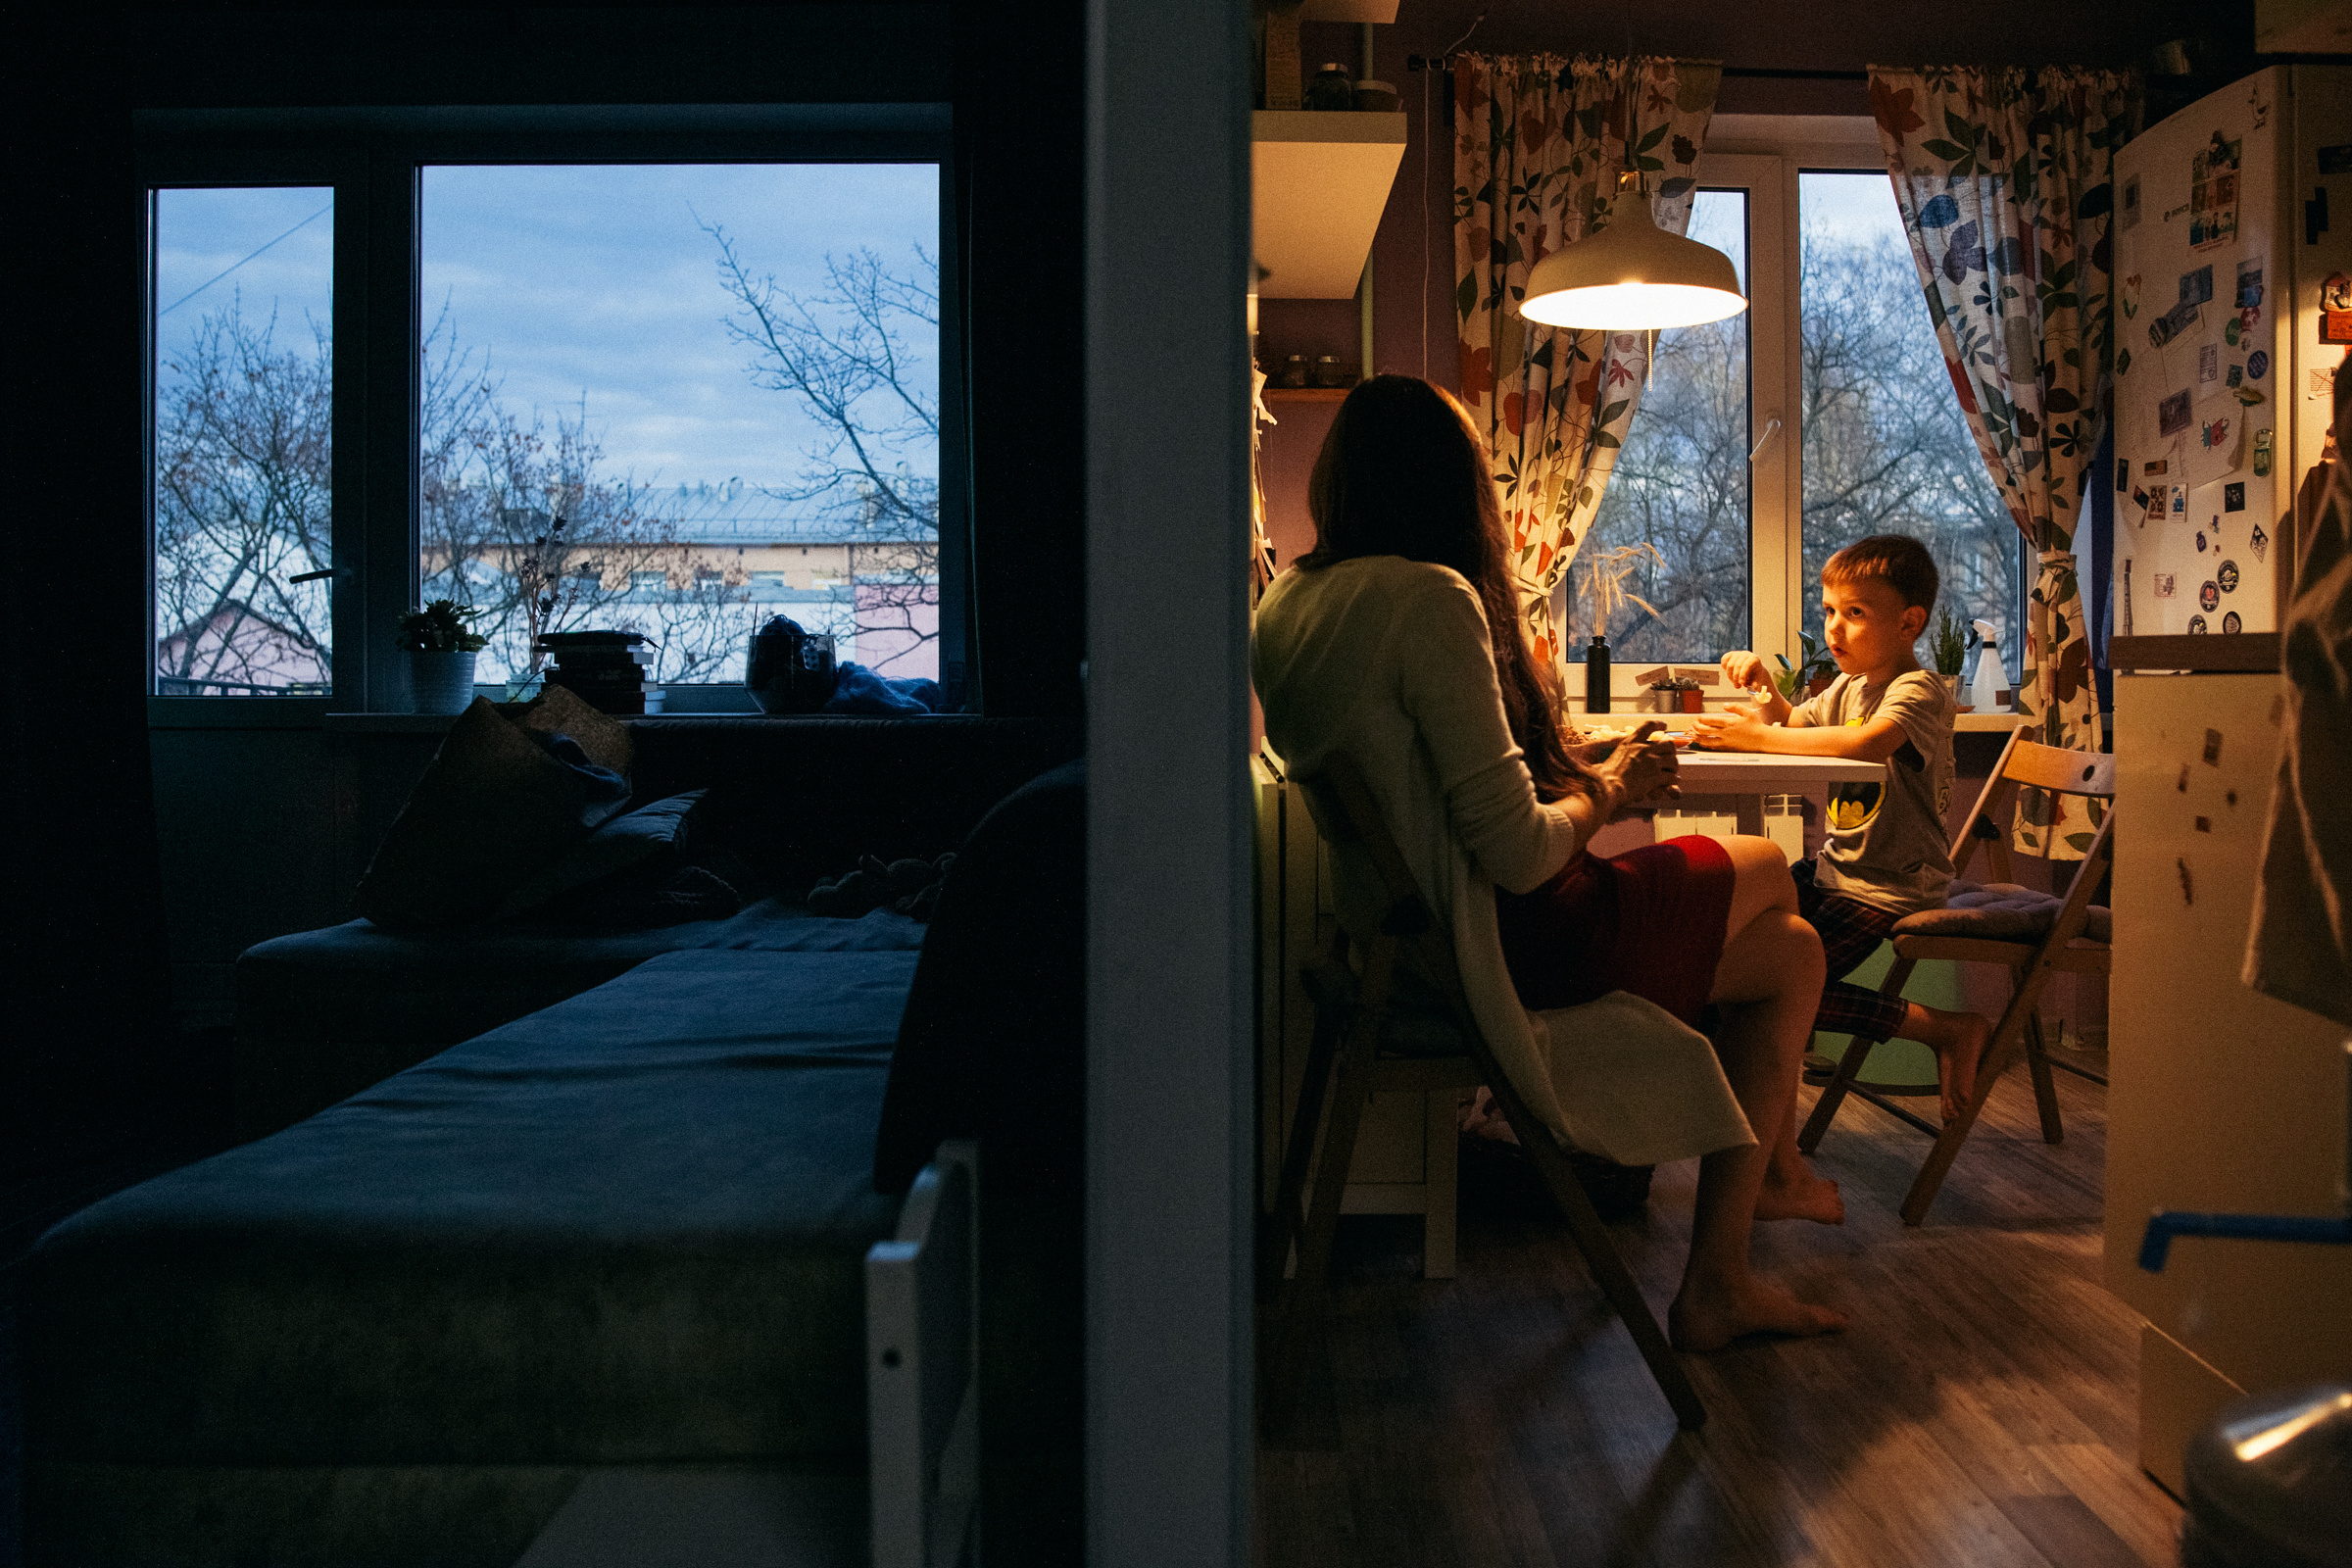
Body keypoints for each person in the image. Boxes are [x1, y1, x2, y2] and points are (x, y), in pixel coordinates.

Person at [1252, 374, 1845, 1351]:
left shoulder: (1293, 598)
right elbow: (1523, 855)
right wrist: (1615, 788)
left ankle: (1734, 1256)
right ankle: (1744, 1230)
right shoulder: (1429, 597)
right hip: (1511, 940)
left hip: (1412, 943)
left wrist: (1591, 769)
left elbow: (1443, 781)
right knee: (1777, 878)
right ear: (1445, 480)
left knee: (1792, 948)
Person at [1696, 534, 1988, 1123]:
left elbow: (1869, 743)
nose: (1834, 627)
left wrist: (1757, 737)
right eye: (1829, 610)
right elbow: (1792, 724)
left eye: (1854, 613)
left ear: (1909, 623)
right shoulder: (1850, 687)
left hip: (1890, 884)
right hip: (1836, 871)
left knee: (1783, 987)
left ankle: (1946, 1029)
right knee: (1736, 959)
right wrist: (1765, 690)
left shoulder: (1920, 690)